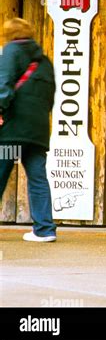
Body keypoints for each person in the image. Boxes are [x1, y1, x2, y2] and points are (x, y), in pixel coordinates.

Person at [0, 18, 56, 242]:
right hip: (37, 131)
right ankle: (44, 230)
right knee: (38, 178)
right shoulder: (44, 61)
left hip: (12, 131)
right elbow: (49, 97)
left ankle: (44, 229)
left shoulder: (11, 51)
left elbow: (3, 84)